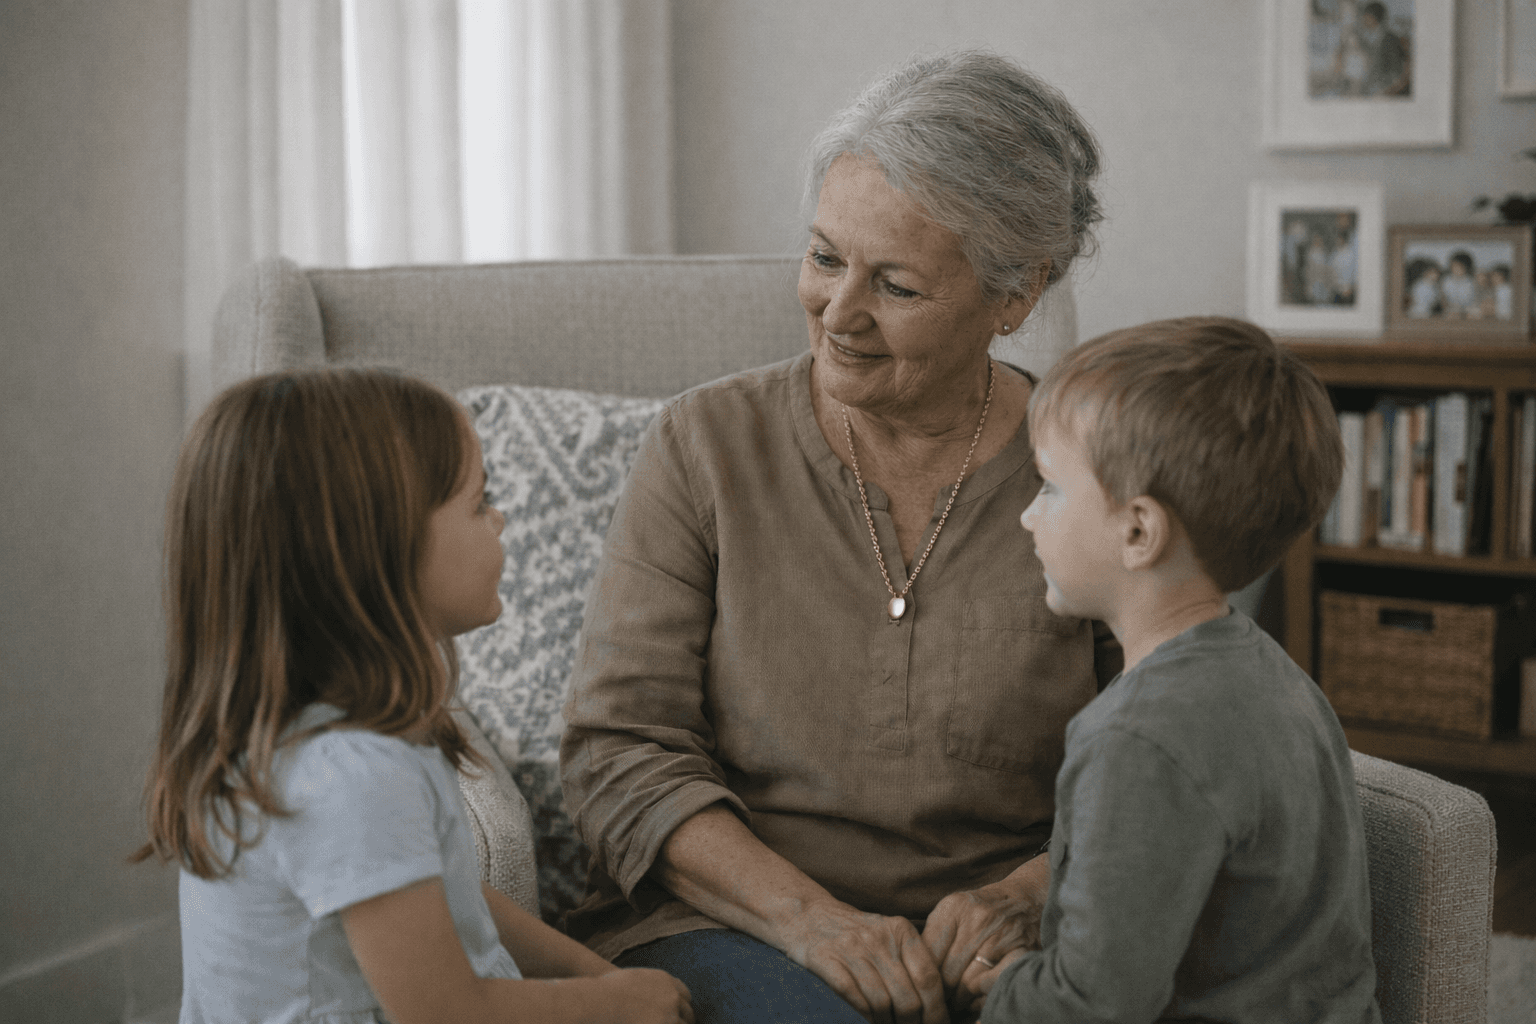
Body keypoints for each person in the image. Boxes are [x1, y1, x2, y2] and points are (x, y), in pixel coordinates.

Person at [561, 50, 1115, 1024]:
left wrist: (1032, 893)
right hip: (735, 926)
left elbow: (1168, 745)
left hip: (1013, 937)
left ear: (1016, 295)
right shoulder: (704, 444)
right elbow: (620, 752)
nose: (840, 314)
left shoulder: (1101, 473)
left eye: (896, 286)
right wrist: (813, 924)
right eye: (824, 259)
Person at [135, 368, 693, 1024]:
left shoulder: (325, 741)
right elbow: (447, 1013)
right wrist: (610, 1004)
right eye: (479, 502)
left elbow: (458, 898)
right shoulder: (351, 776)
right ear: (377, 549)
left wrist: (589, 972)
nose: (500, 519)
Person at [973, 317, 1379, 1023]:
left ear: (1138, 531)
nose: (1029, 518)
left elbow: (1090, 1009)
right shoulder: (1279, 679)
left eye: (1050, 487)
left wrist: (1005, 986)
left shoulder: (1137, 739)